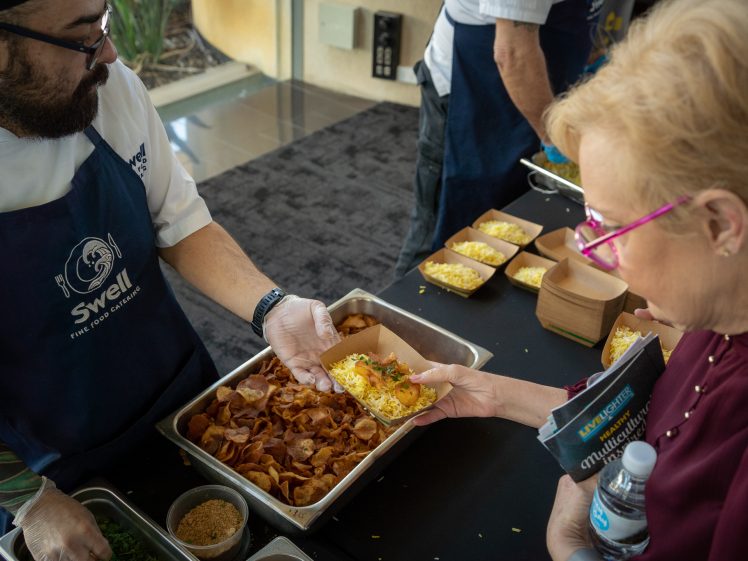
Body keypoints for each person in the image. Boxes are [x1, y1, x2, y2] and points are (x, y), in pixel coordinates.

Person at [0, 1, 341, 559]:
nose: (109, 53)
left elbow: (180, 224)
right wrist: (30, 500)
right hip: (50, 461)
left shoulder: (110, 91)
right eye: (84, 35)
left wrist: (272, 306)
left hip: (176, 399)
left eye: (103, 22)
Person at [409, 0, 748, 559]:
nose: (597, 252)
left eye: (613, 227)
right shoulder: (718, 308)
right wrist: (497, 395)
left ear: (720, 224)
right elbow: (652, 421)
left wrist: (571, 548)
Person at [393, 0, 601, 279]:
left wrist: (592, 57)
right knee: (441, 233)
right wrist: (553, 138)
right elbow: (511, 53)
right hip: (471, 86)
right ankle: (398, 312)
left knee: (504, 211)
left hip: (531, 83)